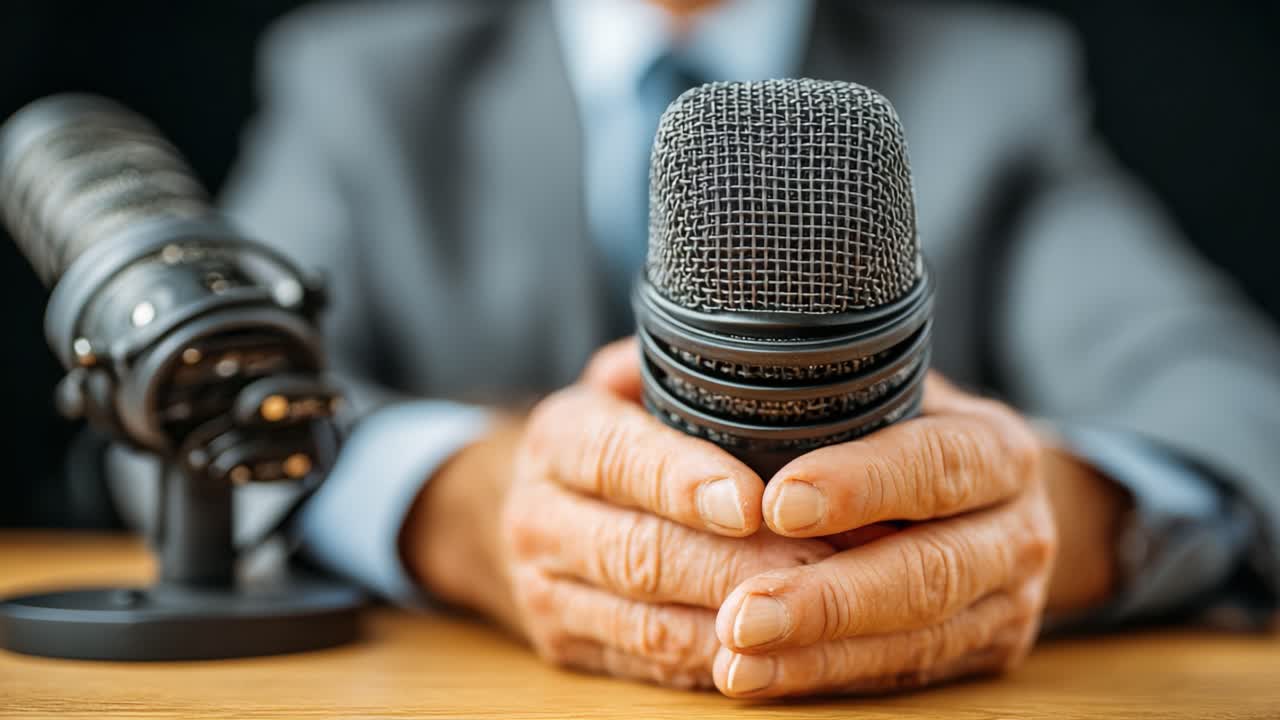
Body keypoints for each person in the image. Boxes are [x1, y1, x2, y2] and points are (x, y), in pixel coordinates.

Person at [210, 0, 1279, 698]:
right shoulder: (355, 80)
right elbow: (215, 386)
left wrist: (1047, 521)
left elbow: (1228, 398)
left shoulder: (994, 84)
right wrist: (461, 507)